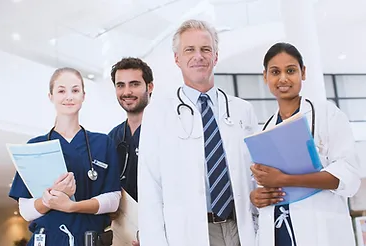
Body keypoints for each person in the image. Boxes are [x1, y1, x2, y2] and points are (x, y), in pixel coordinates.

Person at [138, 19, 258, 246]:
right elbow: (150, 187)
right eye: (189, 50)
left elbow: (255, 174)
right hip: (189, 232)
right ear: (177, 59)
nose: (198, 56)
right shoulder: (158, 113)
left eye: (205, 49)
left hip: (239, 227)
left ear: (215, 56)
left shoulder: (243, 110)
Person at [250, 42, 361, 246]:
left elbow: (349, 176)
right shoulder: (263, 131)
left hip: (319, 232)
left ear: (303, 72)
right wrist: (256, 196)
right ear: (265, 77)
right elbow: (262, 185)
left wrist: (286, 179)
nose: (283, 78)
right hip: (277, 232)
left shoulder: (328, 115)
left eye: (290, 70)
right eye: (275, 72)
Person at [9, 67, 121, 246]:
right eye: (61, 91)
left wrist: (72, 206)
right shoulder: (35, 146)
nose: (69, 96)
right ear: (51, 96)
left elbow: (113, 201)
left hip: (89, 239)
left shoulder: (102, 143)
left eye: (75, 90)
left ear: (83, 96)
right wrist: (50, 199)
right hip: (47, 240)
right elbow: (26, 210)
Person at [108, 57, 153, 246]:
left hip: (159, 232)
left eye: (134, 84)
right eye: (120, 85)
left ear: (149, 87)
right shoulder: (111, 138)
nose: (127, 92)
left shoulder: (167, 131)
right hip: (122, 233)